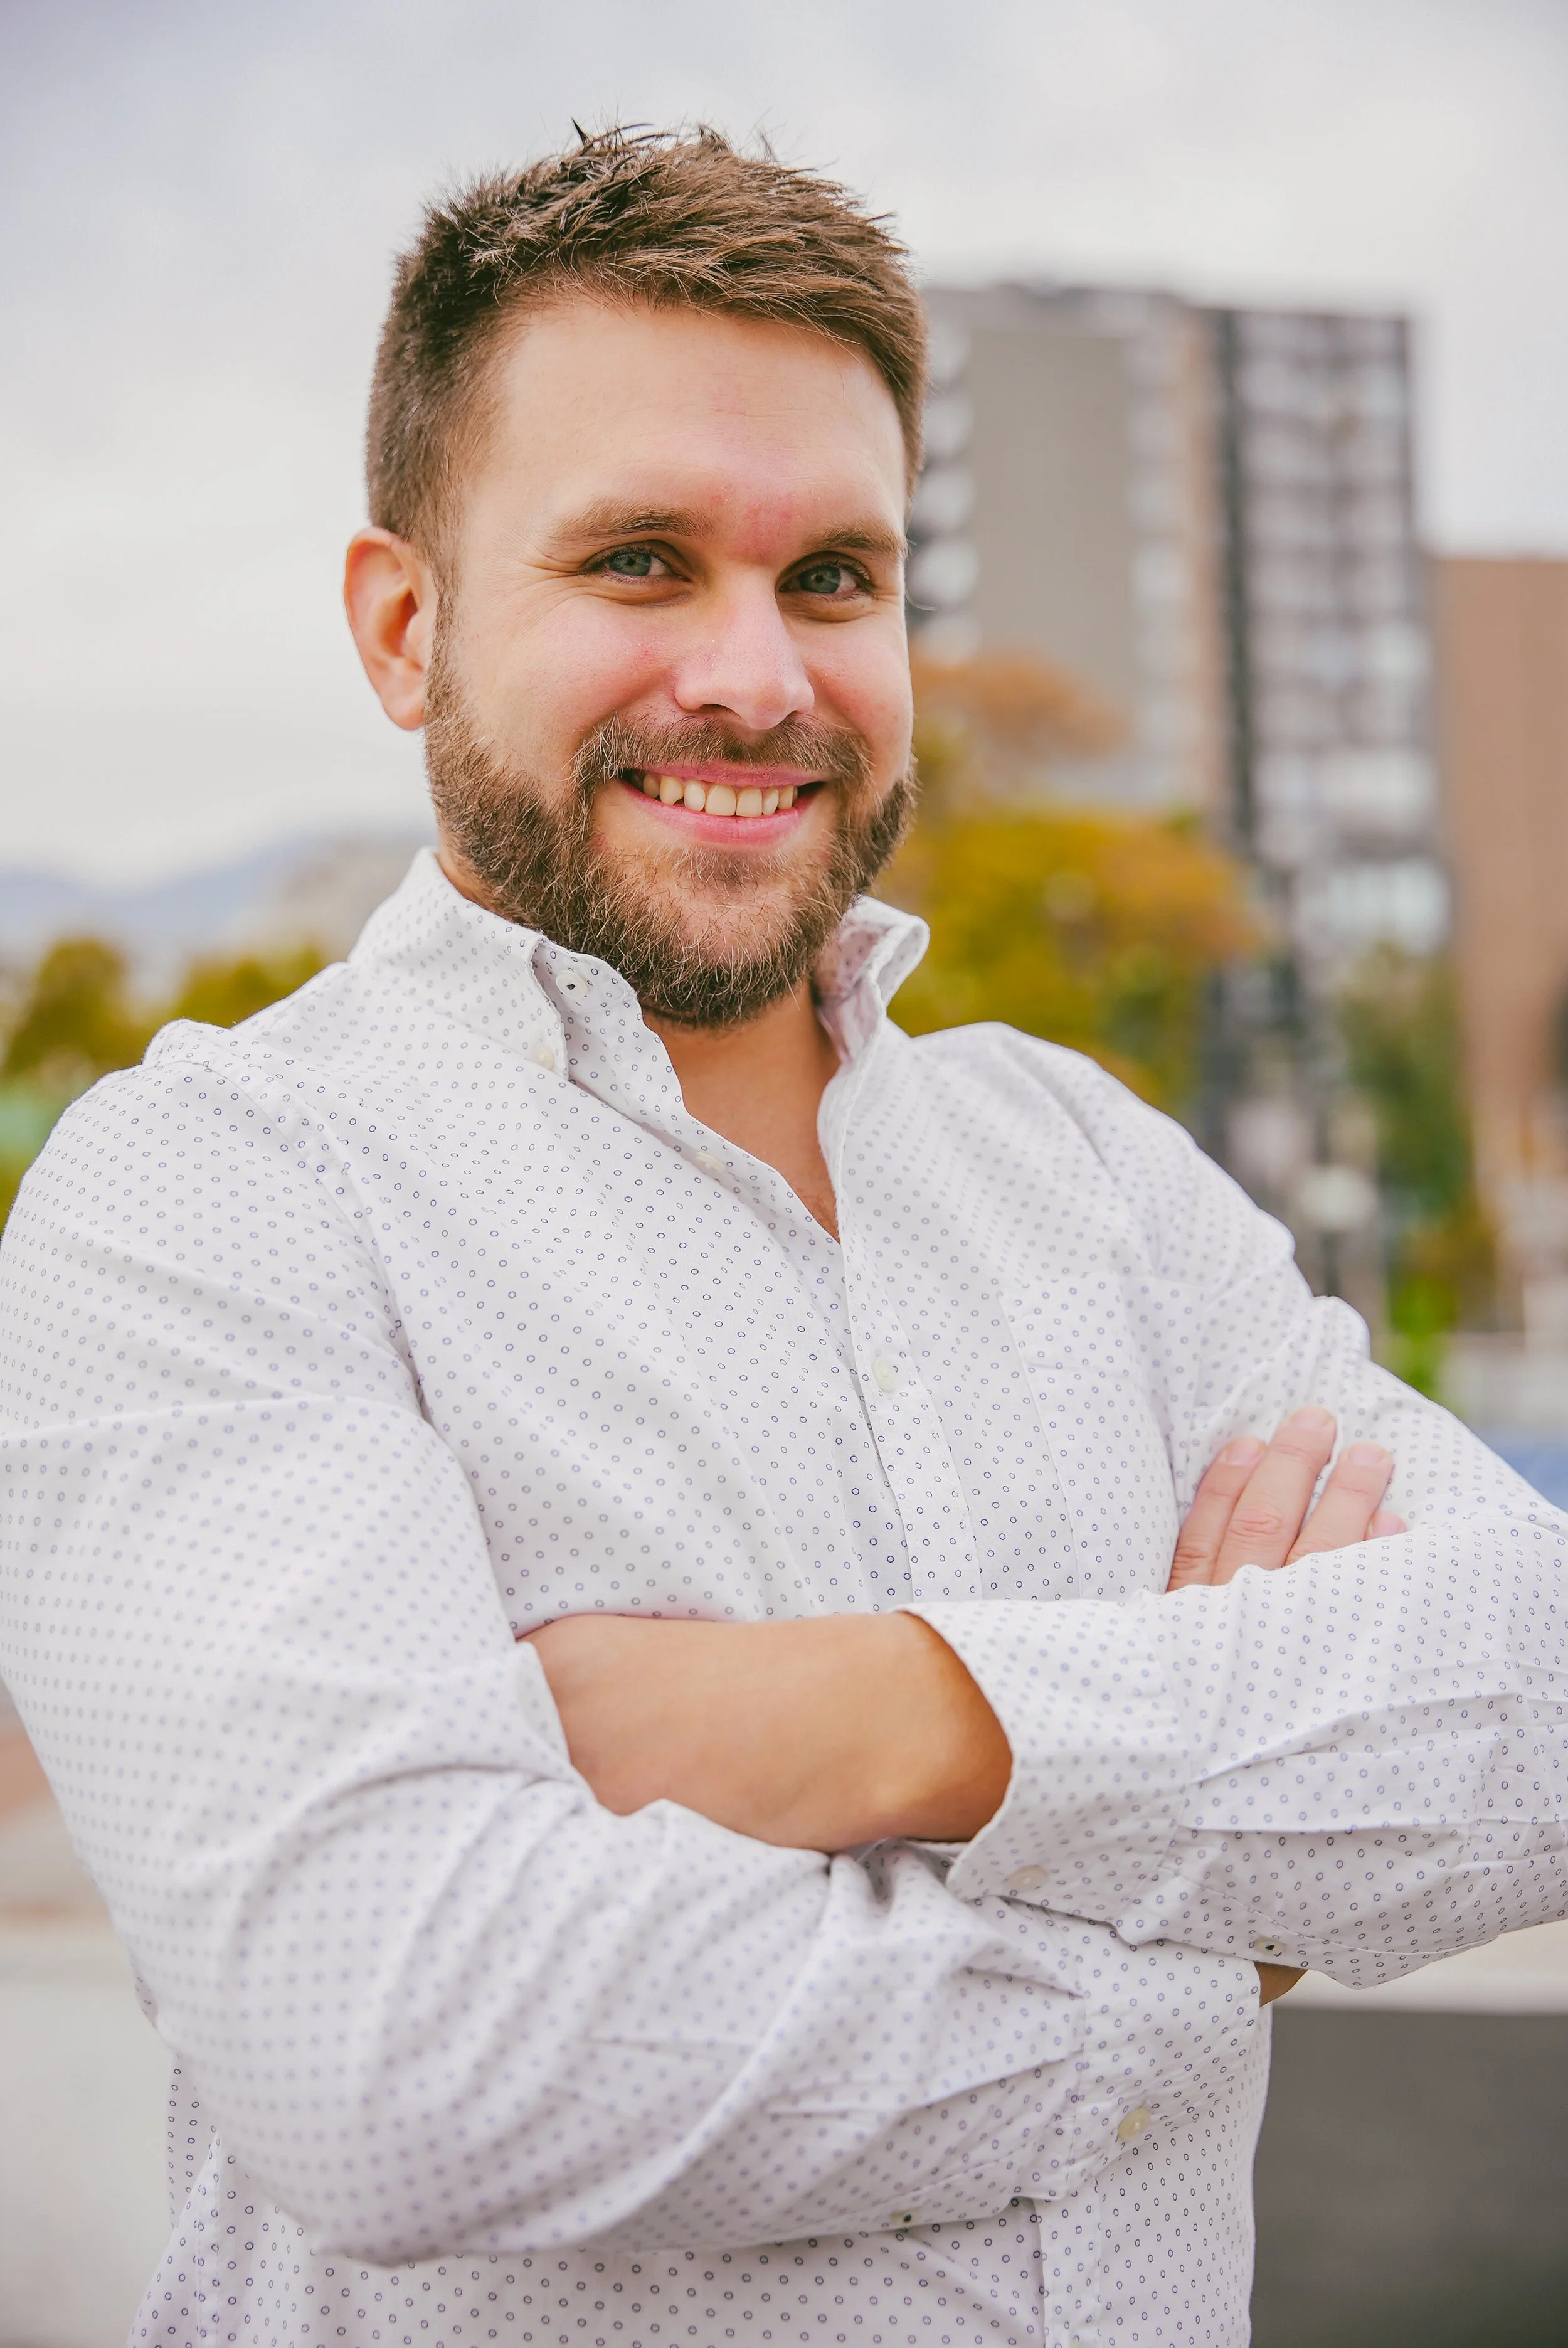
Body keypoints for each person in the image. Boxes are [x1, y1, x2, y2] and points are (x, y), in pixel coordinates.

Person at [1, 126, 1564, 2348]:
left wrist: (886, 1720)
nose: (757, 677)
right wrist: (1224, 1899)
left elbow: (1545, 1695)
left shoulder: (1090, 1169)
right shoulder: (214, 1196)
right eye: (640, 561)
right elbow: (413, 2060)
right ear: (403, 622)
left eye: (834, 575)